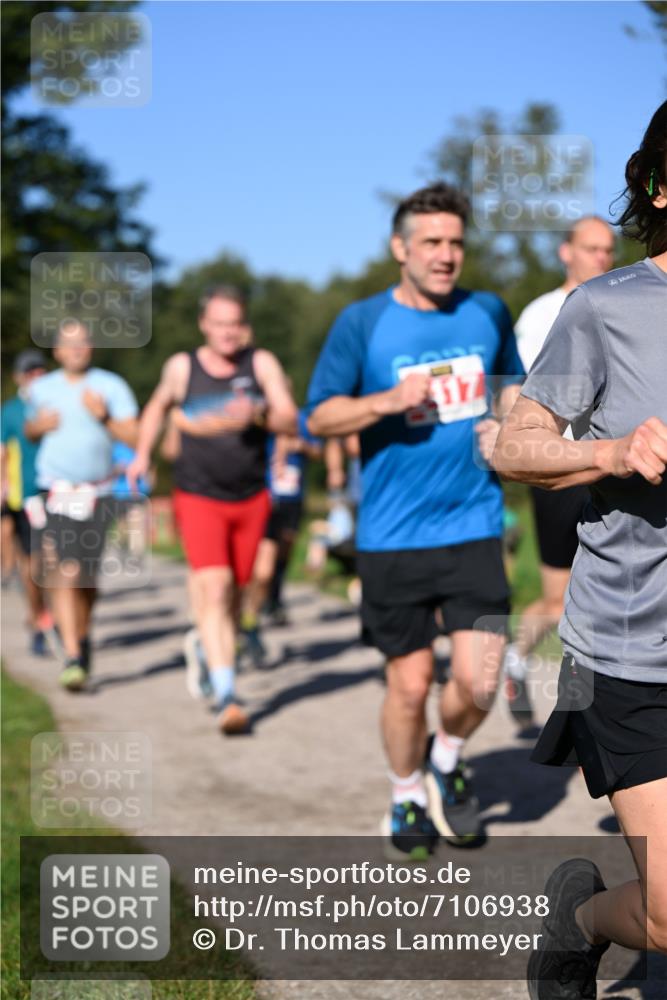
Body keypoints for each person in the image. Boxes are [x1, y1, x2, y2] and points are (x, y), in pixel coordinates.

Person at [493, 100, 667, 998]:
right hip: (637, 647)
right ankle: (581, 919)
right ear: (660, 187)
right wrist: (610, 450)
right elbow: (512, 444)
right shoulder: (606, 307)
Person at [307, 182, 525, 858]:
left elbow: (511, 386)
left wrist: (507, 426)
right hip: (392, 536)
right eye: (430, 241)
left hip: (472, 522)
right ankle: (405, 798)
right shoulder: (362, 323)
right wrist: (384, 402)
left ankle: (447, 755)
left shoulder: (487, 310)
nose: (445, 254)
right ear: (399, 248)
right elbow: (318, 416)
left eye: (455, 242)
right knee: (406, 687)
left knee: (480, 679)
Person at [127, 285, 298, 734]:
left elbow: (288, 418)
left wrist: (258, 414)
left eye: (236, 324)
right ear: (205, 324)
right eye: (220, 324)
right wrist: (142, 455)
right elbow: (156, 407)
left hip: (250, 496)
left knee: (236, 595)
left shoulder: (261, 363)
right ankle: (228, 696)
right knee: (216, 587)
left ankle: (206, 648)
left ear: (245, 325)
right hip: (198, 494)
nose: (228, 333)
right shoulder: (182, 367)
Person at [504, 217, 615, 727]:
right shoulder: (542, 314)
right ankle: (515, 659)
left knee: (606, 599)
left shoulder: (621, 301)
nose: (602, 257)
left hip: (614, 473)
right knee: (558, 598)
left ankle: (585, 710)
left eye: (608, 248)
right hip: (561, 471)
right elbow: (522, 403)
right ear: (565, 252)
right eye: (591, 248)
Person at [24, 322, 139, 690]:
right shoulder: (40, 389)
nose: (76, 350)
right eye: (68, 344)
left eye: (83, 343)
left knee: (88, 578)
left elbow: (136, 436)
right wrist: (38, 427)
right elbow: (27, 432)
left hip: (99, 491)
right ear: (56, 351)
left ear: (91, 348)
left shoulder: (111, 386)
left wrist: (103, 416)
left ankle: (82, 634)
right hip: (56, 489)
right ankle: (72, 655)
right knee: (66, 570)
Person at [244, 411, 322, 644]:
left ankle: (266, 604)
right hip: (260, 498)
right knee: (259, 566)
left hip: (291, 497)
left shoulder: (302, 420)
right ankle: (247, 620)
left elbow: (319, 450)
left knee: (282, 551)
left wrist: (301, 446)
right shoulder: (256, 419)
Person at [0, 349, 52, 653]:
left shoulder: (58, 403)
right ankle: (37, 617)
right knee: (33, 565)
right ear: (18, 377)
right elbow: (3, 453)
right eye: (29, 372)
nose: (35, 377)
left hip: (58, 492)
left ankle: (56, 617)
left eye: (40, 371)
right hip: (25, 496)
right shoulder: (10, 411)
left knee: (56, 561)